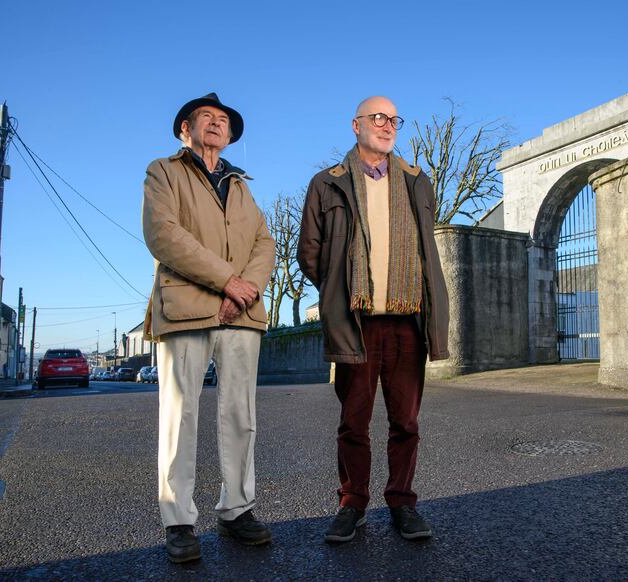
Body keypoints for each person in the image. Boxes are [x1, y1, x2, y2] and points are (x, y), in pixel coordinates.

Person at [298, 96, 450, 543]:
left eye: (393, 119)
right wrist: (339, 292)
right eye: (377, 118)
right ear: (356, 126)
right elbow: (310, 252)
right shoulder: (327, 183)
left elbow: (423, 247)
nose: (386, 125)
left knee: (406, 422)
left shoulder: (417, 181)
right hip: (357, 322)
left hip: (407, 321)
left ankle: (402, 503)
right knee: (354, 422)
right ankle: (352, 504)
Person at [142, 92, 275, 563]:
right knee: (180, 417)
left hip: (242, 312)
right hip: (185, 309)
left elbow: (264, 242)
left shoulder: (241, 186)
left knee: (241, 415)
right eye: (206, 118)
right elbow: (163, 233)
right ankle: (178, 519)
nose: (217, 124)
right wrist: (227, 281)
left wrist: (245, 289)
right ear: (186, 129)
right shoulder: (164, 171)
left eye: (223, 120)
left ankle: (236, 509)